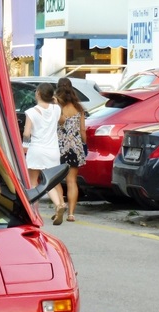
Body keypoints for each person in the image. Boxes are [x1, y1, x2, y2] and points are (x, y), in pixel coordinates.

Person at [22, 83, 67, 225]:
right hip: (53, 151)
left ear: (38, 94)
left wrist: (24, 147)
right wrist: (55, 102)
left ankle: (33, 212)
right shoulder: (56, 109)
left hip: (37, 150)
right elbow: (62, 121)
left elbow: (27, 133)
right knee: (50, 182)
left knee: (32, 182)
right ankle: (59, 205)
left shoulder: (31, 112)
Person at [55, 77, 87, 222]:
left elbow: (60, 122)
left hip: (59, 147)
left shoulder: (56, 107)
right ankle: (71, 214)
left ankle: (60, 205)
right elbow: (83, 130)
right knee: (72, 181)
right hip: (75, 147)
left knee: (55, 180)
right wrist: (84, 145)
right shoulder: (79, 108)